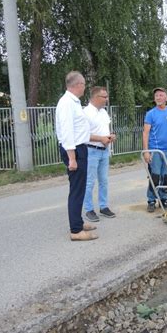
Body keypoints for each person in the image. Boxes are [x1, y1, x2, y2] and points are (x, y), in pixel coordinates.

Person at [55, 71, 101, 241]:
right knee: (76, 190)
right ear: (77, 85)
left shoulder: (73, 102)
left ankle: (78, 222)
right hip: (73, 150)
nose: (84, 88)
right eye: (83, 85)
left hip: (79, 149)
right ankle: (76, 231)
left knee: (80, 189)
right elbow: (67, 132)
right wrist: (72, 158)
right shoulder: (67, 103)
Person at [83, 87, 117, 222]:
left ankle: (103, 207)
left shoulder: (103, 112)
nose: (107, 99)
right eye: (105, 97)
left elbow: (105, 129)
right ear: (96, 97)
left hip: (104, 150)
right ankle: (89, 209)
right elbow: (83, 135)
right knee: (89, 181)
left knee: (104, 181)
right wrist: (101, 139)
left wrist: (110, 136)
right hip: (91, 150)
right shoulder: (85, 113)